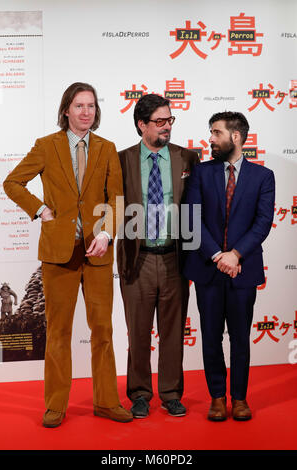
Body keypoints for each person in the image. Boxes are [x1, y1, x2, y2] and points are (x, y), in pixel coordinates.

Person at [3, 82, 132, 427]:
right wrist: (40, 209)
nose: (86, 112)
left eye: (91, 105)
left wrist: (106, 233)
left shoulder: (106, 148)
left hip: (98, 253)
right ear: (66, 110)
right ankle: (56, 405)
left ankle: (106, 401)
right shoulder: (47, 146)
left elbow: (116, 199)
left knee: (102, 330)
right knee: (57, 331)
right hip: (58, 254)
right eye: (79, 106)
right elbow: (12, 182)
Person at [184, 111, 275, 421]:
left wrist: (235, 255)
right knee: (210, 335)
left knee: (239, 337)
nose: (210, 139)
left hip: (243, 269)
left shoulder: (263, 177)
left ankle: (239, 398)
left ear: (235, 137)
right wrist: (217, 256)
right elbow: (191, 219)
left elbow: (263, 223)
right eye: (211, 132)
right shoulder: (201, 172)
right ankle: (217, 397)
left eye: (216, 132)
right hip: (207, 269)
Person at [117, 94, 198, 418]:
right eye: (160, 121)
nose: (167, 127)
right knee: (137, 332)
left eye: (170, 120)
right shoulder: (120, 159)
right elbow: (109, 208)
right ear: (142, 124)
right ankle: (139, 393)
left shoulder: (187, 158)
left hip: (174, 259)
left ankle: (170, 393)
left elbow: (197, 208)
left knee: (173, 331)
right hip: (137, 260)